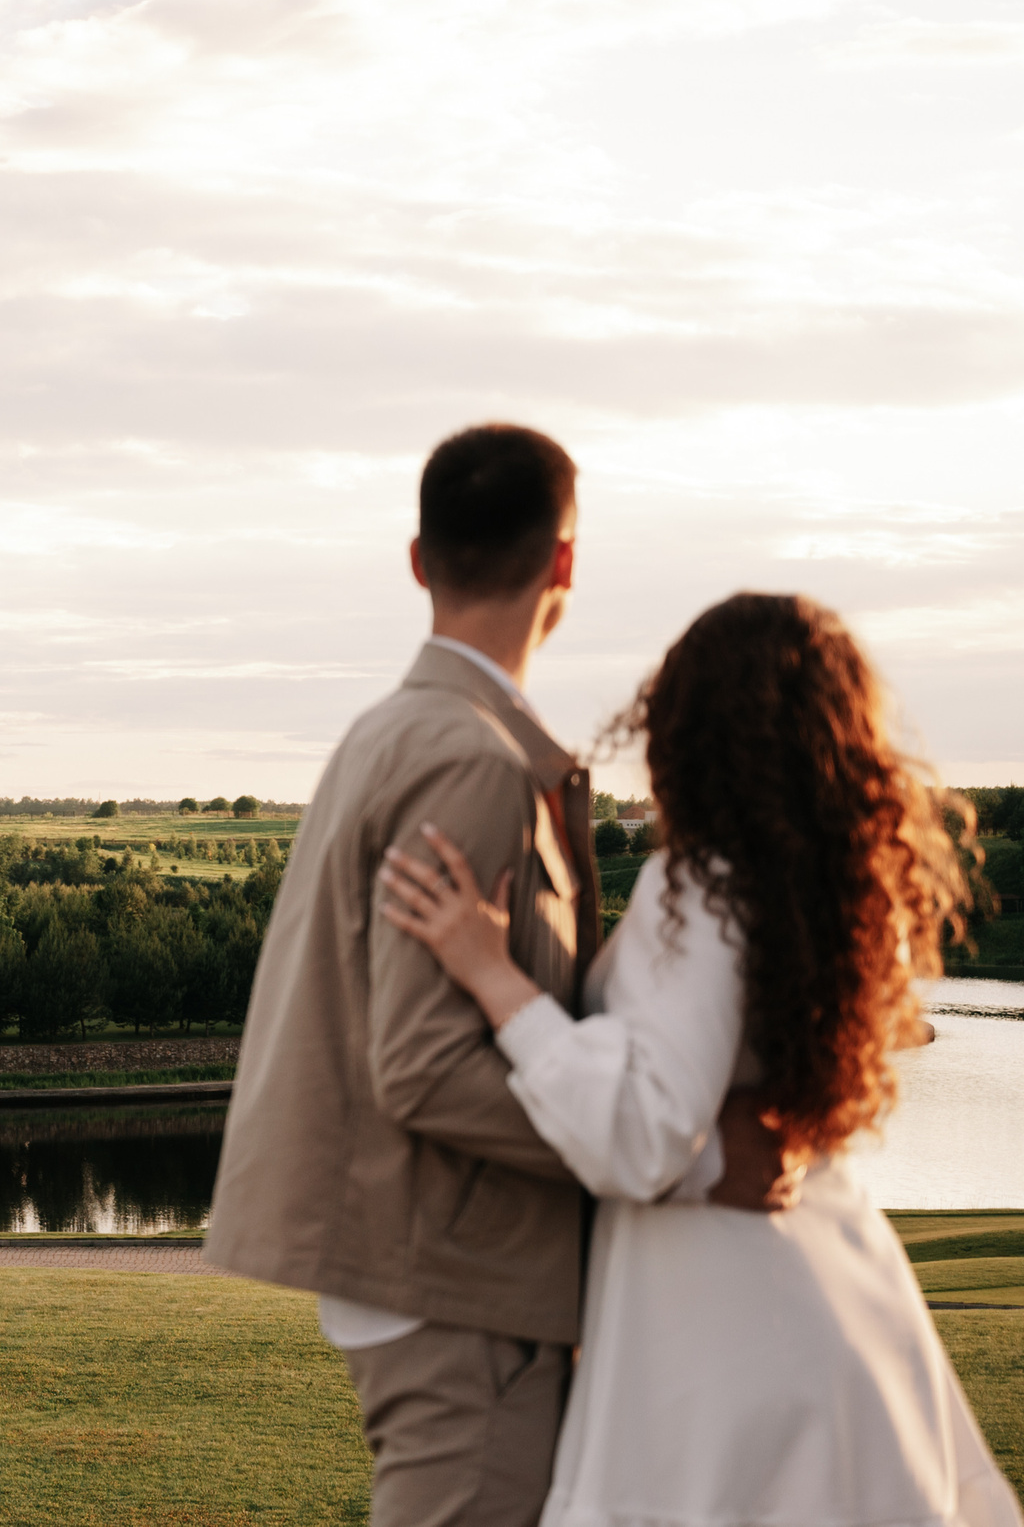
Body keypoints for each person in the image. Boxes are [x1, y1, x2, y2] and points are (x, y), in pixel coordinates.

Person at [205, 425, 796, 1527]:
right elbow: (423, 1067)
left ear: (418, 558)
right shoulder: (470, 758)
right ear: (564, 564)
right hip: (452, 1278)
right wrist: (669, 1160)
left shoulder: (396, 729)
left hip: (428, 1266)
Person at [378, 593, 1021, 1527]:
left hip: (719, 1327)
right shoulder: (820, 888)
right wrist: (719, 1145)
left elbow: (643, 1132)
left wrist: (492, 977)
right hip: (829, 1284)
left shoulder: (703, 885)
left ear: (690, 724)